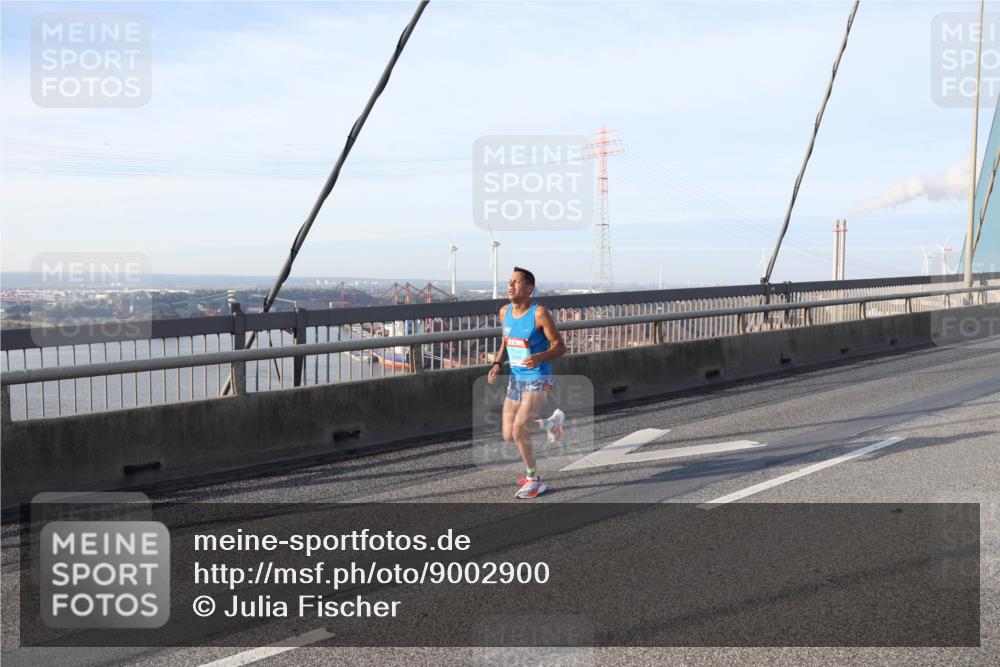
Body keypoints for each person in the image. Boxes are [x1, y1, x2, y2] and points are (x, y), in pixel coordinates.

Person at [487, 267, 566, 499]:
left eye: (516, 282)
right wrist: (497, 363)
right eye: (509, 282)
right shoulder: (505, 311)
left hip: (538, 376)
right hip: (516, 377)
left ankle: (534, 479)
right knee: (508, 435)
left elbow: (560, 347)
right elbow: (506, 339)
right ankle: (551, 424)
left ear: (529, 288)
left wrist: (539, 357)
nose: (510, 286)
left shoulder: (539, 313)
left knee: (519, 428)